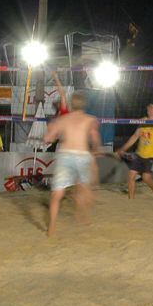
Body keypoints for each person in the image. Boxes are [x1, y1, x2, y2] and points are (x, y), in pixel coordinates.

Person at [42, 92, 101, 238]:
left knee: (57, 194)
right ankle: (84, 217)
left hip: (65, 155)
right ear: (84, 104)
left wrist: (49, 132)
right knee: (83, 189)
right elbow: (95, 137)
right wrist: (95, 151)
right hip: (82, 155)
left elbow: (47, 139)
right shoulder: (90, 119)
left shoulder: (63, 119)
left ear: (71, 104)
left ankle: (52, 227)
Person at [116, 103, 153, 198]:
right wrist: (123, 149)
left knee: (146, 177)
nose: (150, 109)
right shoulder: (143, 121)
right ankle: (131, 199)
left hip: (152, 156)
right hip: (139, 154)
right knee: (131, 175)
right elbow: (135, 137)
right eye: (149, 108)